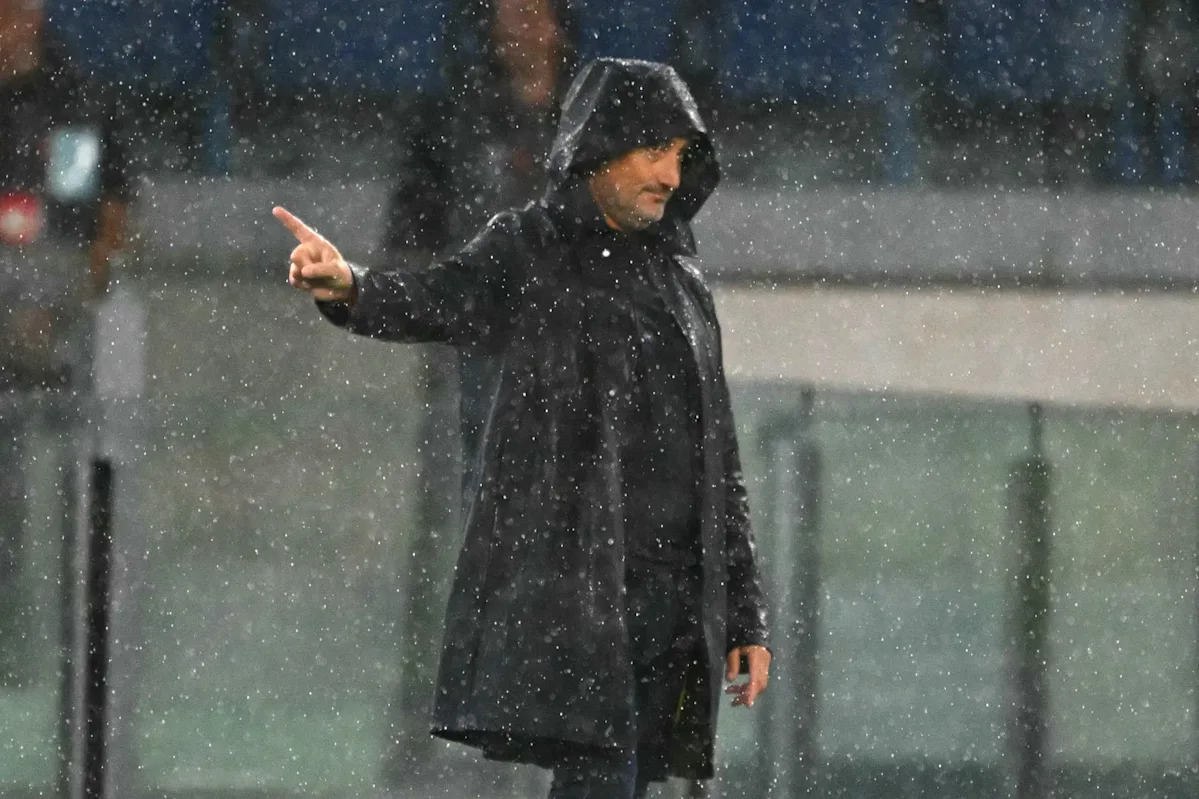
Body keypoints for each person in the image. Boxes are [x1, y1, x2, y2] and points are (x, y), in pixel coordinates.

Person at [275, 58, 771, 798]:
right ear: (603, 146)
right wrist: (349, 285)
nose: (670, 175)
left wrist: (744, 615)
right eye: (653, 151)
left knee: (651, 783)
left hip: (672, 602)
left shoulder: (680, 275)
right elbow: (436, 298)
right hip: (586, 591)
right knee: (600, 777)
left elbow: (717, 456)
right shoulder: (532, 246)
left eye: (679, 155)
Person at [0, 0, 132, 687]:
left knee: (74, 489)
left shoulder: (75, 98)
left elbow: (103, 214)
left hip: (55, 332)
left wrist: (59, 304)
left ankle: (64, 654)